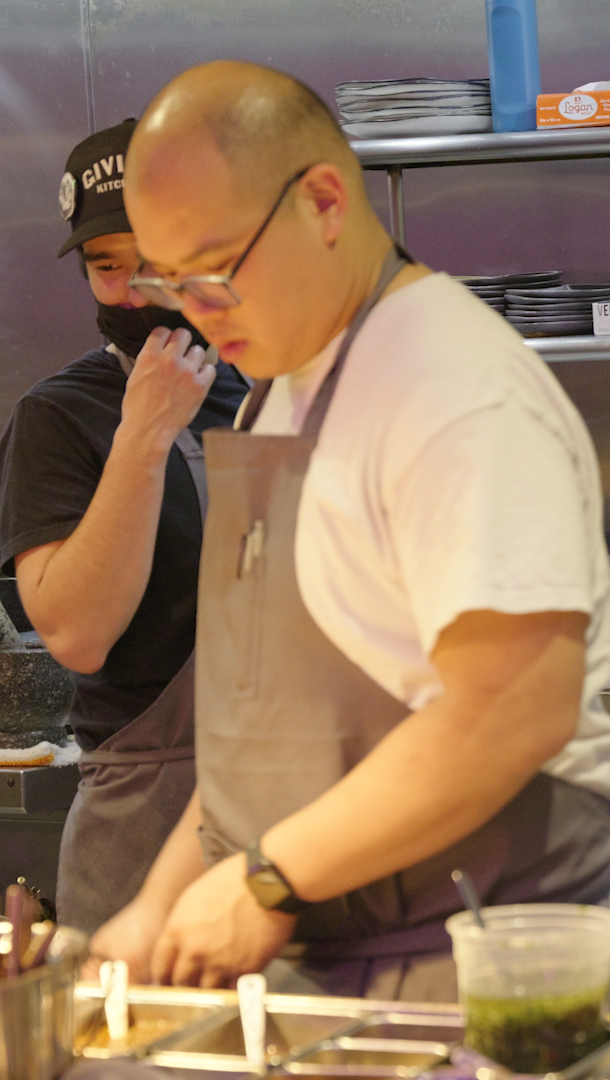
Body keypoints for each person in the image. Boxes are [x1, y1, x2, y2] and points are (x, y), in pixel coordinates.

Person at [87, 61, 610, 1001]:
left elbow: (510, 709)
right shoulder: (278, 391)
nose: (198, 313)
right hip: (325, 964)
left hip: (478, 970)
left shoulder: (453, 389)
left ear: (325, 203)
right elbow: (265, 725)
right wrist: (161, 904)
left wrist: (269, 878)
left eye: (216, 271)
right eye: (171, 283)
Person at [0, 120, 249, 933]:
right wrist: (144, 432)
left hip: (288, 797)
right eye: (108, 266)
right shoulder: (57, 415)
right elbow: (77, 636)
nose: (134, 291)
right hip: (144, 813)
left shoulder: (271, 387)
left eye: (155, 261)